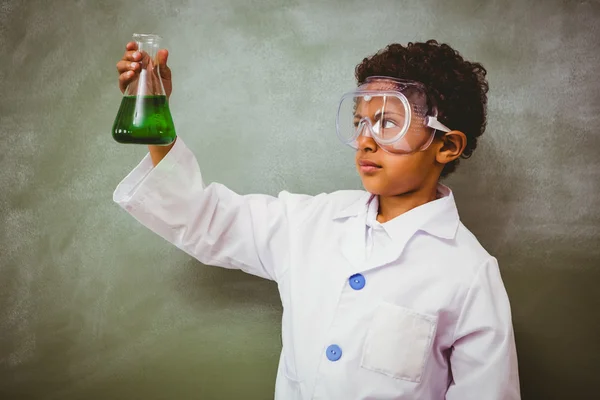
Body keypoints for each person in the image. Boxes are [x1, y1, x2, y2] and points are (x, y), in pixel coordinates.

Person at [113, 39, 520, 399]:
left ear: (446, 145)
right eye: (361, 120)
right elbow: (203, 218)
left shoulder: (470, 274)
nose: (365, 139)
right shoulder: (309, 222)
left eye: (388, 122)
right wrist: (154, 113)